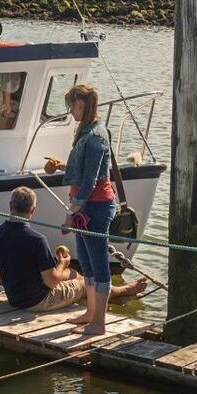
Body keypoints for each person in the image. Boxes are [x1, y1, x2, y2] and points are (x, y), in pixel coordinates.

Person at [0, 186, 145, 315]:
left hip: (15, 298)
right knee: (84, 284)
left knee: (73, 274)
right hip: (38, 301)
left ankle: (110, 296)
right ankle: (123, 291)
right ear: (33, 210)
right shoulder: (37, 240)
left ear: (10, 206)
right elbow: (51, 282)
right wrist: (62, 264)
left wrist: (8, 275)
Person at [61, 83, 118, 335]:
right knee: (86, 262)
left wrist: (71, 212)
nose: (70, 112)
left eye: (71, 107)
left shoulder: (95, 136)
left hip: (96, 207)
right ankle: (91, 313)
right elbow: (84, 171)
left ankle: (99, 323)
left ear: (80, 104)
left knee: (99, 264)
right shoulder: (86, 131)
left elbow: (90, 180)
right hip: (85, 206)